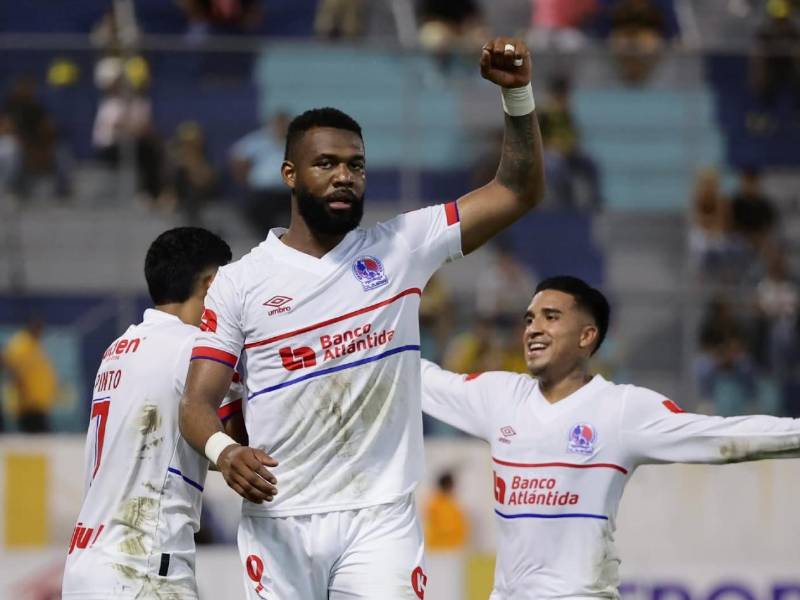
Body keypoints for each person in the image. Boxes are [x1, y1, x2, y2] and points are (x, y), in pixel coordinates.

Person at [179, 36, 544, 599]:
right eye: (325, 163)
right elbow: (197, 404)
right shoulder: (240, 282)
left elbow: (518, 190)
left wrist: (517, 98)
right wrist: (226, 455)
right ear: (290, 174)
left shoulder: (403, 246)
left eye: (356, 165)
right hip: (281, 520)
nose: (344, 176)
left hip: (381, 519)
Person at [420, 275, 800, 599]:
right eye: (529, 319)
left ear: (587, 335)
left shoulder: (620, 409)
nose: (533, 328)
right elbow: (415, 377)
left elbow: (721, 436)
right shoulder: (499, 397)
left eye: (551, 317)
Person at [61, 227, 240, 599]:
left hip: (87, 564)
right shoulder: (193, 349)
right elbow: (234, 440)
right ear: (211, 285)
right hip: (142, 567)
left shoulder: (118, 349)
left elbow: (170, 440)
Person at [1, 318, 57, 433]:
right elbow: (12, 369)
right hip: (28, 405)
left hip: (38, 405)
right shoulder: (21, 344)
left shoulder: (35, 345)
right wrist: (22, 391)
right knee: (35, 442)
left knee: (42, 442)